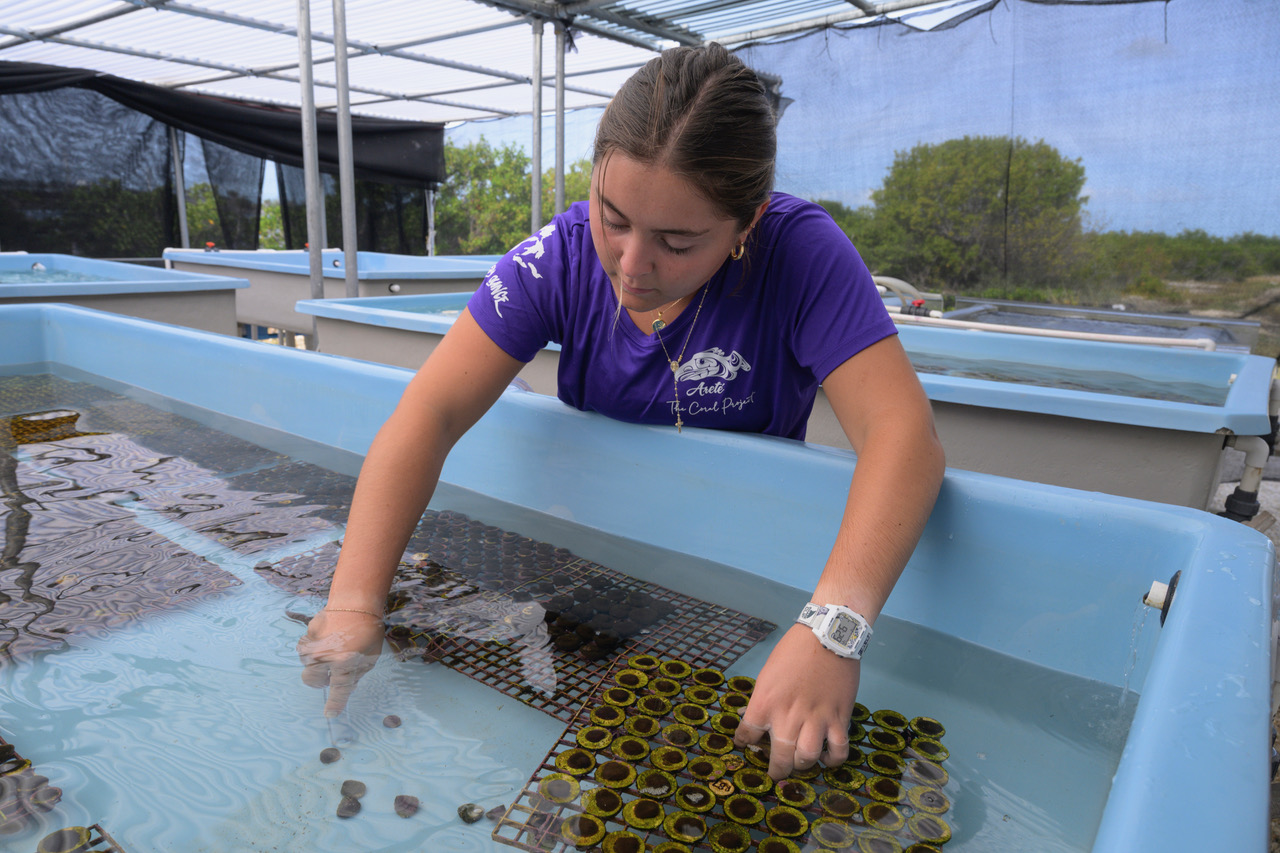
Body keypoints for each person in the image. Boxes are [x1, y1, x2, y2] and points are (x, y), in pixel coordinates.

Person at [297, 42, 944, 781]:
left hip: (737, 567)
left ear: (747, 223)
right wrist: (353, 599)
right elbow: (431, 411)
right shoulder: (561, 257)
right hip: (592, 560)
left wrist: (833, 629)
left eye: (677, 242)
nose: (633, 265)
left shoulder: (802, 255)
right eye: (615, 218)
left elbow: (905, 437)